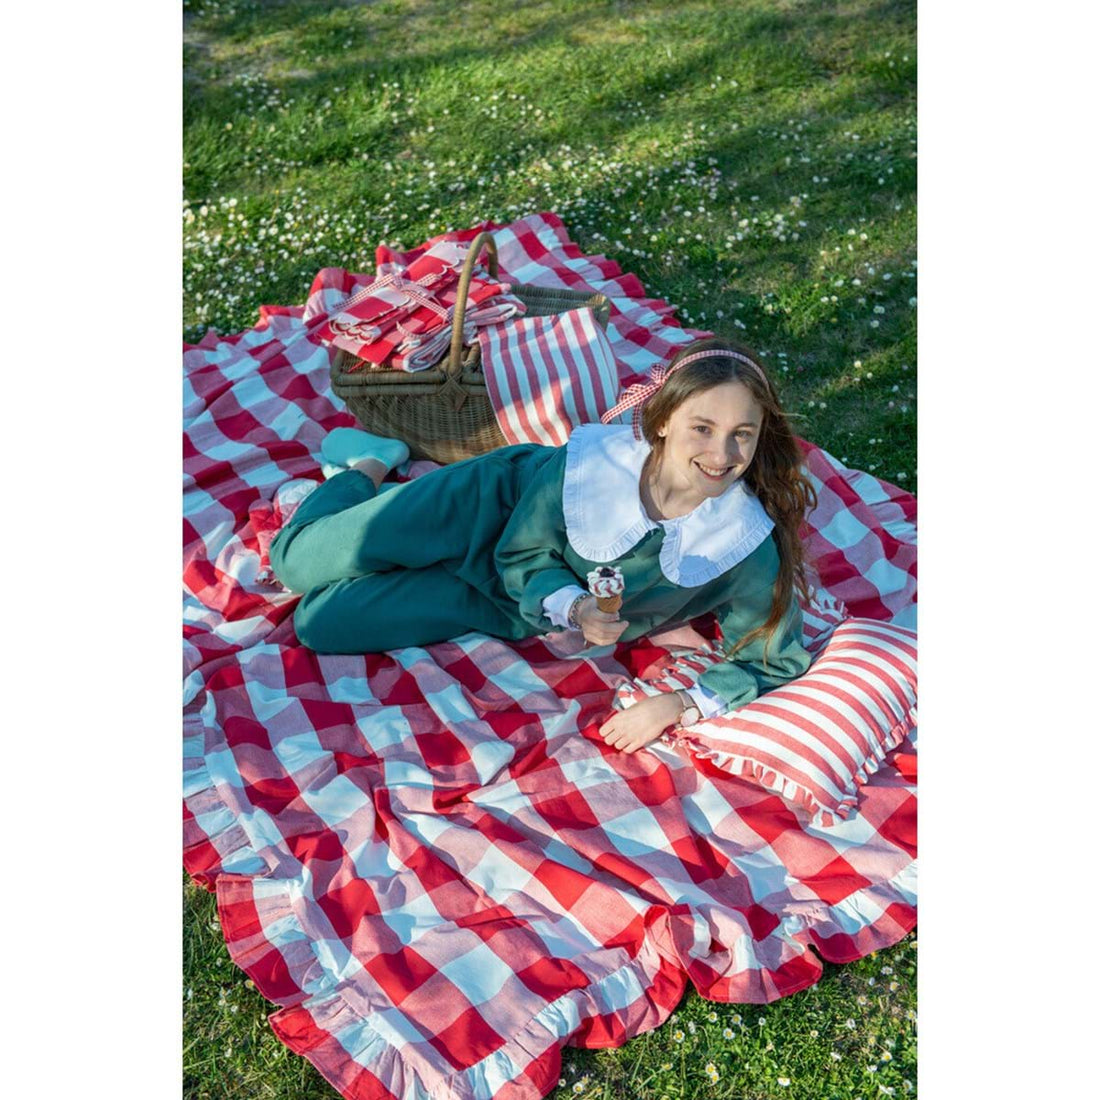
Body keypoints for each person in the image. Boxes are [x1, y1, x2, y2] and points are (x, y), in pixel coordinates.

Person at [269, 336, 818, 755]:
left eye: (741, 433)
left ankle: (377, 525)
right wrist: (576, 605)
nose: (722, 453)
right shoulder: (592, 466)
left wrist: (676, 706)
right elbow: (523, 552)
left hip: (505, 602)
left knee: (319, 623)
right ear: (664, 420)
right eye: (703, 427)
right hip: (482, 508)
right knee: (293, 565)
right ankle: (371, 464)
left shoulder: (742, 539)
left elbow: (773, 657)